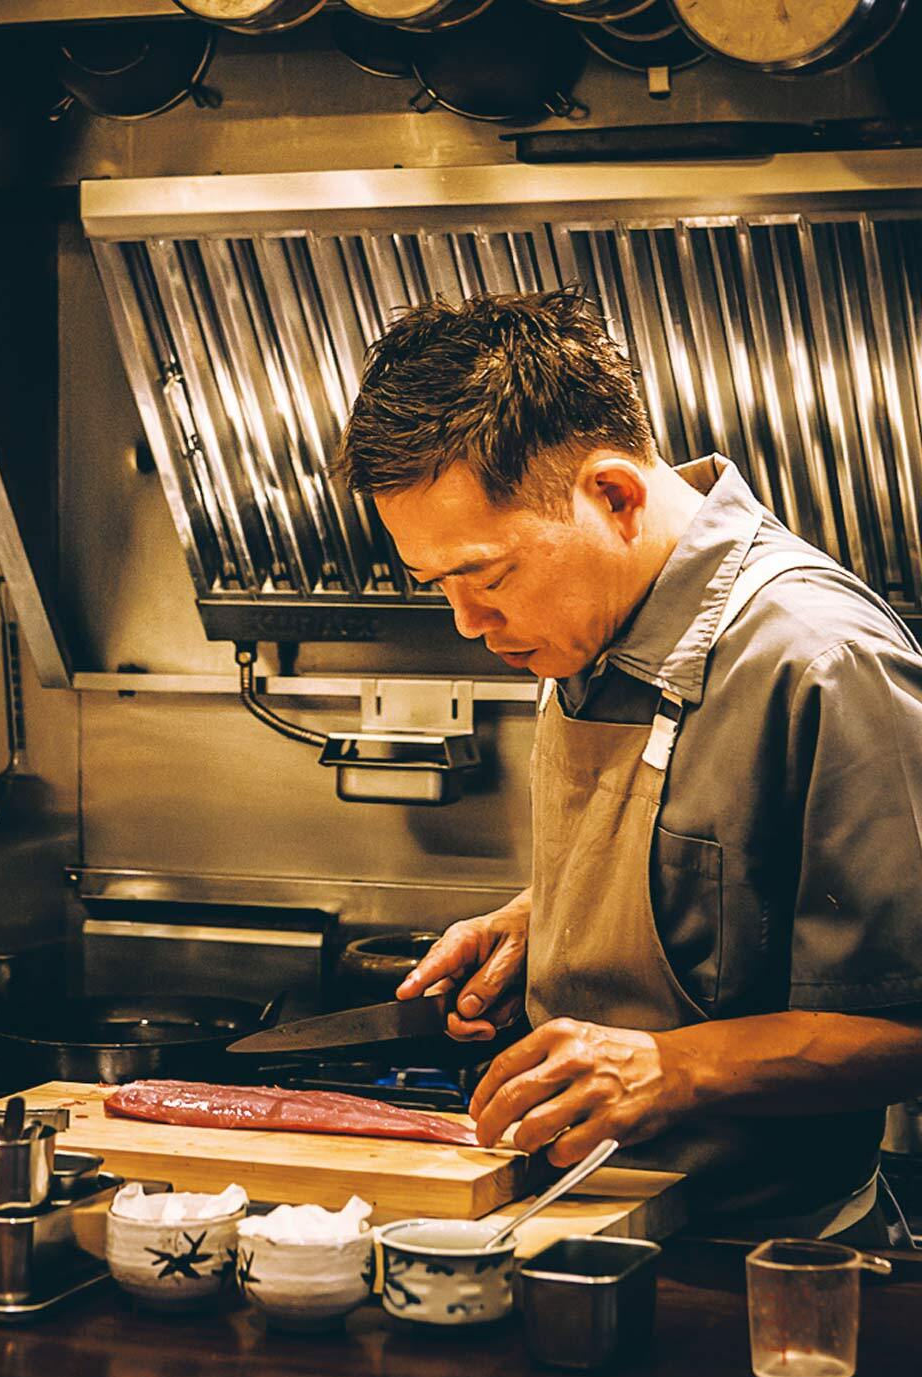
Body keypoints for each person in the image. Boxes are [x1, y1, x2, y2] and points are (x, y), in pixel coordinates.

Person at [331, 289, 922, 1244]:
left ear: (614, 495)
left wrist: (670, 1067)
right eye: (439, 585)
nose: (468, 623)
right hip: (571, 1226)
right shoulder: (585, 620)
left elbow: (909, 1028)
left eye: (487, 576)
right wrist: (547, 918)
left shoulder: (816, 657)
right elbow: (728, 875)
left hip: (755, 1265)